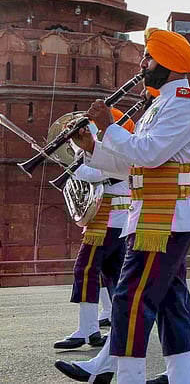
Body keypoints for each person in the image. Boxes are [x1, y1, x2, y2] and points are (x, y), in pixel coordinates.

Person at [58, 28, 190, 384]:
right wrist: (92, 145)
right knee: (171, 303)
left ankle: (128, 376)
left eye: (149, 58)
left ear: (167, 64)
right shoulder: (161, 103)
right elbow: (131, 164)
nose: (143, 64)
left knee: (130, 300)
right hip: (154, 214)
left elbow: (149, 155)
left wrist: (110, 125)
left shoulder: (183, 103)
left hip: (164, 217)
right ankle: (182, 376)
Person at [53, 110, 135, 351]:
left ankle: (88, 330)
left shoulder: (115, 153)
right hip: (117, 220)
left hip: (107, 220)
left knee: (85, 270)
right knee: (111, 273)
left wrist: (68, 155)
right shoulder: (121, 150)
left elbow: (91, 174)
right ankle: (112, 318)